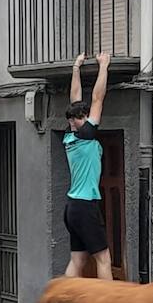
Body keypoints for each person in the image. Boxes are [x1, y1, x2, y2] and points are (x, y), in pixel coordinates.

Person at [62, 53, 112, 280]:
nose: (88, 118)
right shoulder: (87, 135)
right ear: (80, 120)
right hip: (85, 206)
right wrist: (104, 66)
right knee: (104, 259)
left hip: (72, 207)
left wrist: (76, 67)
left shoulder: (69, 138)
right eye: (84, 117)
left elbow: (75, 99)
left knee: (78, 260)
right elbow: (98, 99)